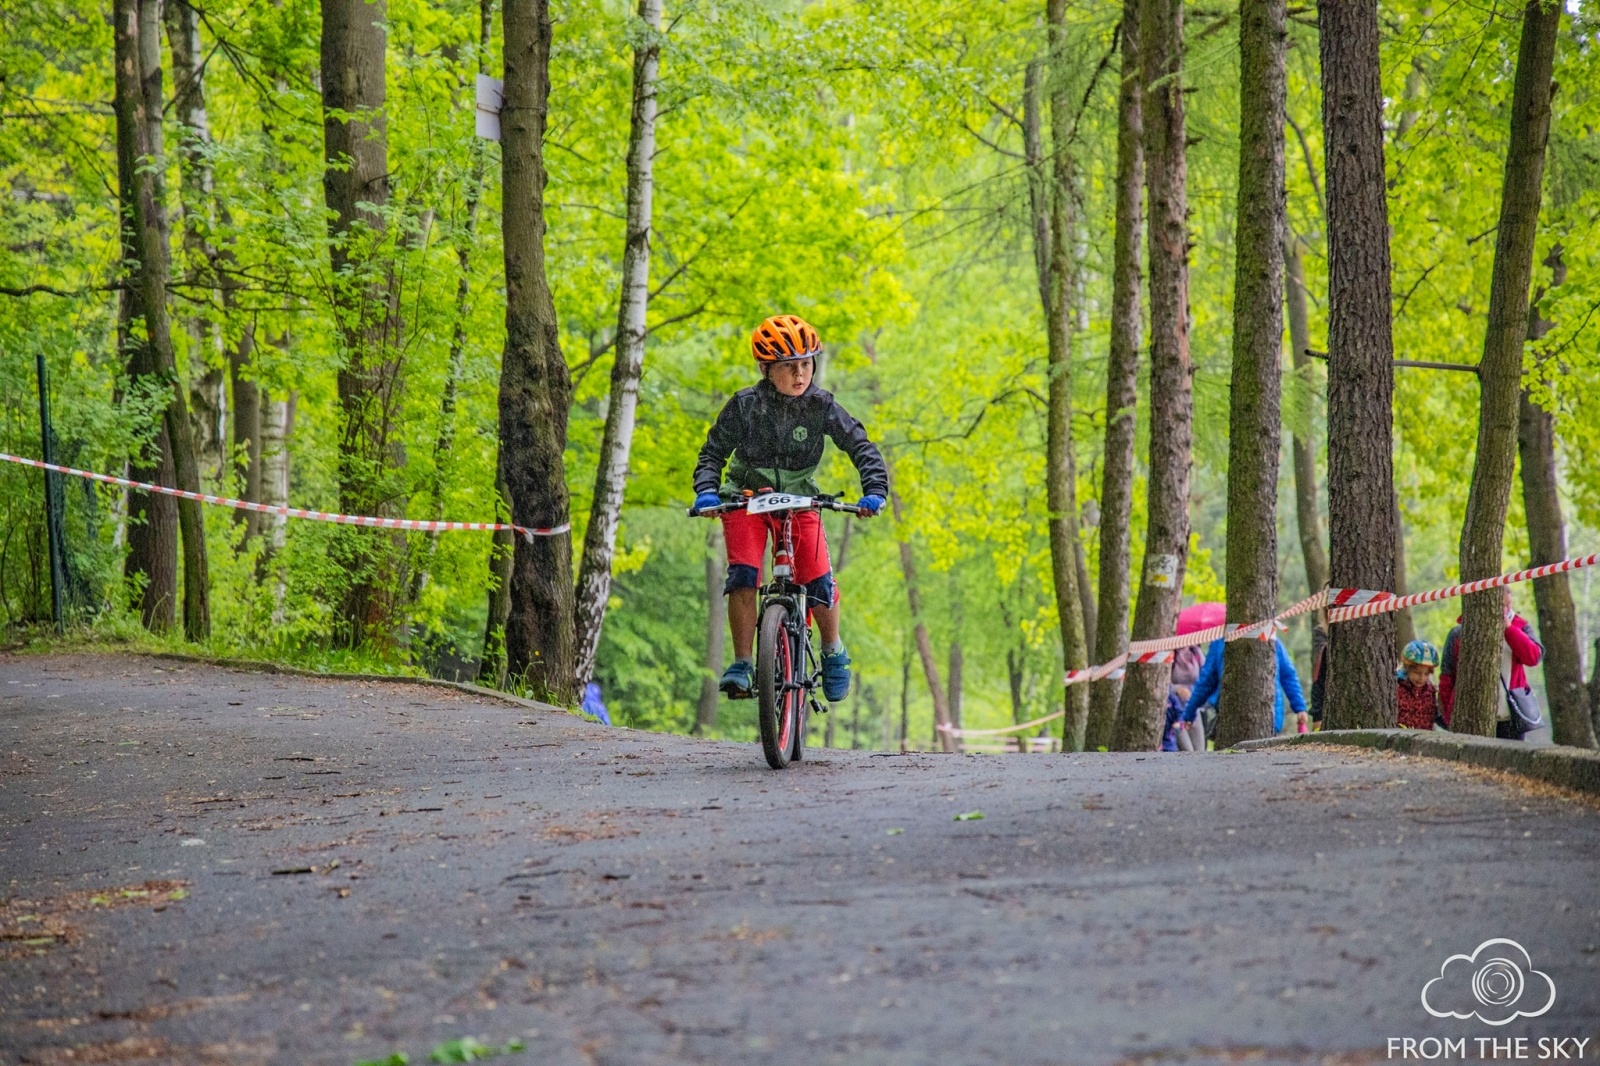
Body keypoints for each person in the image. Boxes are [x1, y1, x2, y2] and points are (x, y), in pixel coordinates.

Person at [691, 314, 889, 703]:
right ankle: (744, 662)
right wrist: (707, 493)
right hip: (746, 497)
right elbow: (712, 453)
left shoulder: (821, 405)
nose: (800, 375)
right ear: (766, 369)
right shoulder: (745, 406)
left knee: (818, 579)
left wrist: (875, 491)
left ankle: (833, 652)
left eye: (806, 364)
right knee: (743, 575)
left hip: (801, 499)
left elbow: (860, 446)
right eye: (788, 367)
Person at [1439, 586, 1543, 738]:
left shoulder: (1521, 626)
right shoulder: (1459, 632)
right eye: (1501, 605)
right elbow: (1447, 676)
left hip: (1511, 715)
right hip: (1472, 716)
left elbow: (1534, 657)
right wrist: (1449, 715)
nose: (1506, 609)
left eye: (1508, 605)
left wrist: (1509, 629)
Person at [1180, 637, 1308, 736]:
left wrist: (1189, 714)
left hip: (1239, 718)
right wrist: (1299, 707)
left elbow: (1205, 683)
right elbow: (1289, 676)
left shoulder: (1221, 642)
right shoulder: (1271, 639)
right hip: (1267, 716)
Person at [1395, 639, 1441, 730]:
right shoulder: (1397, 687)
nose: (1422, 678)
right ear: (1407, 669)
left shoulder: (1430, 691)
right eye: (1417, 673)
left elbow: (1438, 717)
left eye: (1426, 674)